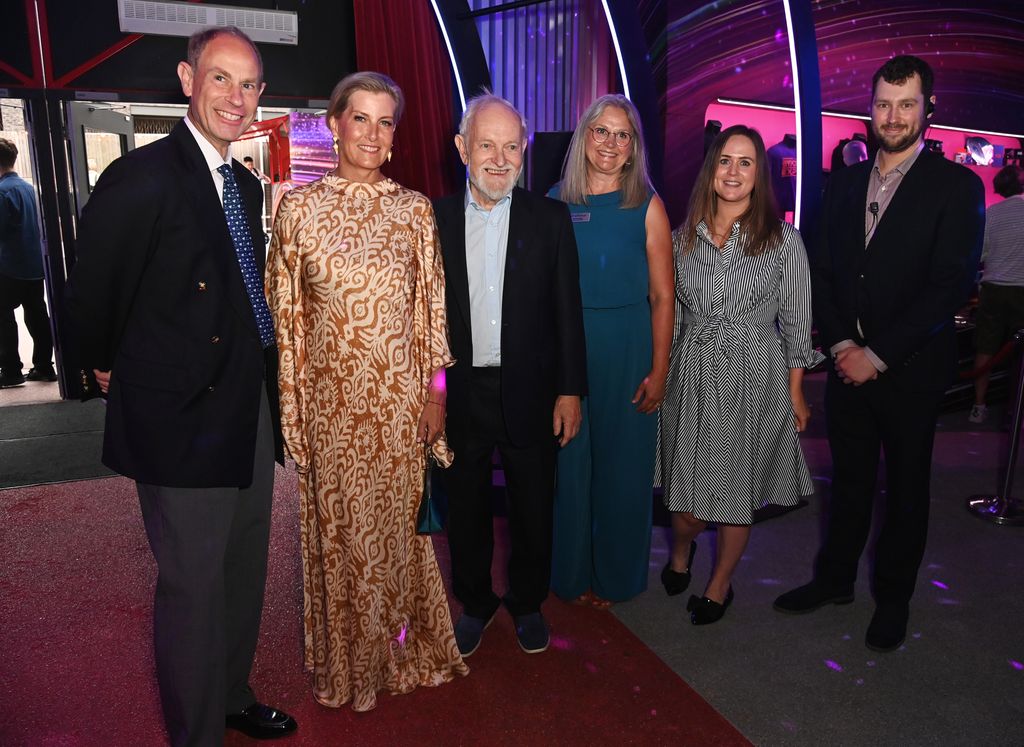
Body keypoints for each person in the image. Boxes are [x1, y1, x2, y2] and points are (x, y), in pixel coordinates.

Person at [65, 27, 297, 745]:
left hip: (247, 401)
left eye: (250, 83)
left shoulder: (245, 181)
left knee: (243, 564)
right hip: (180, 414)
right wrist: (102, 359)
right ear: (186, 79)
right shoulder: (142, 176)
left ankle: (230, 693)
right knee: (193, 586)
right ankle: (196, 733)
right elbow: (91, 291)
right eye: (221, 78)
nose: (236, 96)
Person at [266, 71, 468, 712]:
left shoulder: (414, 212)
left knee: (395, 535)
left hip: (399, 406)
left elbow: (432, 315)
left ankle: (400, 649)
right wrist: (294, 413)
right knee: (341, 540)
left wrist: (435, 395)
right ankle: (347, 665)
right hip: (331, 409)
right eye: (361, 119)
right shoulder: (298, 209)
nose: (373, 134)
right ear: (334, 124)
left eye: (386, 122)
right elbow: (286, 325)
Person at [774, 55, 985, 652]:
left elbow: (950, 284)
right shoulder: (841, 183)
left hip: (911, 371)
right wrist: (842, 344)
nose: (893, 117)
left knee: (908, 488)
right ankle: (835, 580)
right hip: (846, 366)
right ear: (870, 109)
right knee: (850, 481)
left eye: (907, 104)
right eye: (884, 104)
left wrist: (878, 355)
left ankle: (893, 598)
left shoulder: (957, 186)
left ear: (929, 110)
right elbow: (824, 269)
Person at [434, 93, 587, 656]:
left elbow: (567, 312)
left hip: (533, 390)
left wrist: (570, 390)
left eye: (511, 147)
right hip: (461, 392)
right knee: (466, 507)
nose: (499, 160)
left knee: (532, 507)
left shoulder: (550, 219)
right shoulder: (435, 219)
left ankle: (527, 602)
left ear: (525, 150)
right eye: (486, 146)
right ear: (462, 148)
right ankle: (475, 602)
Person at [660, 124, 822, 625]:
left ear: (759, 174)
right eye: (725, 161)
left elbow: (797, 322)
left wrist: (796, 392)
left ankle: (719, 584)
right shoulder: (679, 239)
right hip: (691, 371)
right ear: (711, 171)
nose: (734, 171)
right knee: (684, 505)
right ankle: (682, 551)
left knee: (735, 499)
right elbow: (667, 312)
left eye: (746, 162)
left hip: (756, 375)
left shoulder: (783, 241)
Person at [547, 95, 673, 607]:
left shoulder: (647, 203)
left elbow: (663, 295)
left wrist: (660, 369)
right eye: (602, 131)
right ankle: (570, 575)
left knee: (623, 468)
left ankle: (616, 577)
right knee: (568, 466)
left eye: (622, 135)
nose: (610, 143)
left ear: (633, 147)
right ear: (585, 137)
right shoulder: (556, 198)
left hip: (628, 348)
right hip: (569, 348)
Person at [969, 165, 1024, 424]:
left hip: (992, 289)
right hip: (1022, 289)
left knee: (986, 347)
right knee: (1020, 352)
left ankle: (979, 406)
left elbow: (980, 254)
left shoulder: (992, 212)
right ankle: (1018, 409)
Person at [0, 138, 56, 387]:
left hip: (8, 266)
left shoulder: (2, 192)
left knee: (3, 318)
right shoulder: (28, 188)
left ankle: (11, 371)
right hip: (34, 265)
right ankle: (44, 366)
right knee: (37, 316)